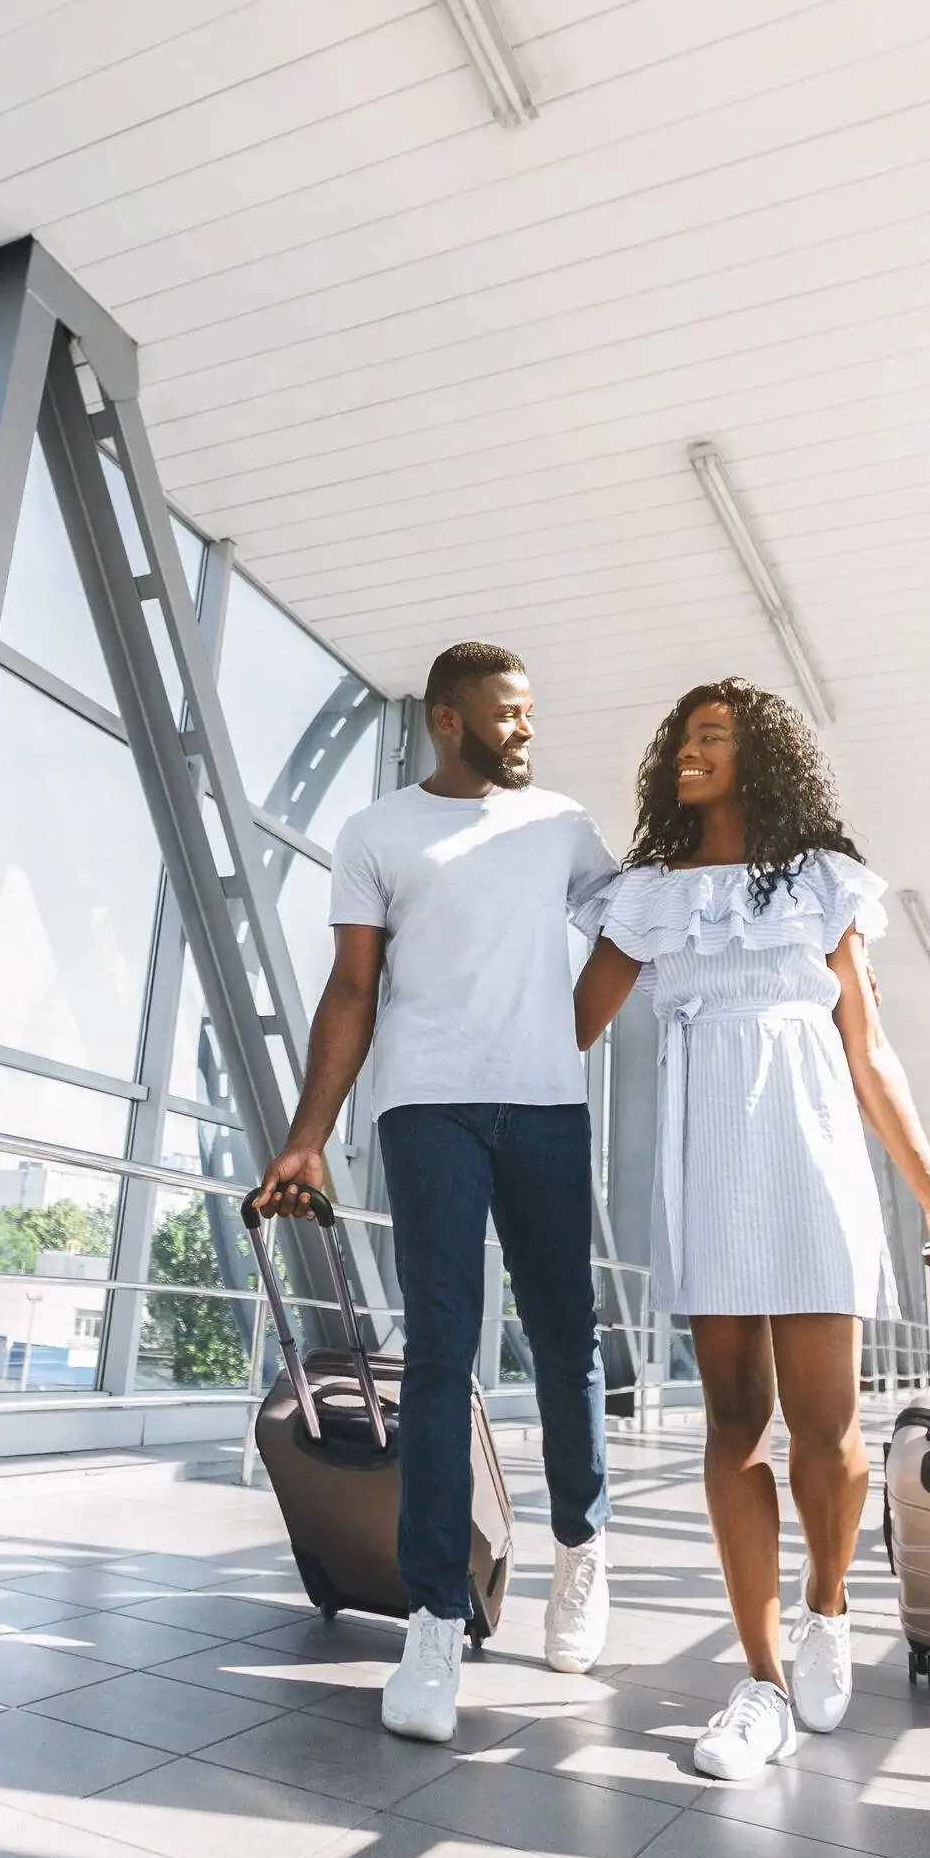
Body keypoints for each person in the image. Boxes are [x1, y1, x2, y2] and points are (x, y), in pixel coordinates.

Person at [572, 678, 930, 1781]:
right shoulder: (651, 893)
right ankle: (759, 1680)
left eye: (712, 736)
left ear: (761, 758)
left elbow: (869, 1050)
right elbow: (568, 1025)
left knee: (827, 1428)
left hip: (811, 1152)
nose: (686, 750)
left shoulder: (823, 885)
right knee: (732, 1419)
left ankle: (828, 1604)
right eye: (680, 734)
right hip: (705, 1158)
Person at [256, 640, 622, 1745]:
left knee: (568, 1337)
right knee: (440, 1350)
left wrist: (562, 1042)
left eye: (530, 711)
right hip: (426, 1110)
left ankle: (580, 1551)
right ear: (450, 719)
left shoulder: (561, 823)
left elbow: (632, 931)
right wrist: (307, 1136)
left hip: (547, 1112)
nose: (528, 729)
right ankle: (432, 1612)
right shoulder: (376, 834)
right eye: (509, 713)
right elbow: (352, 988)